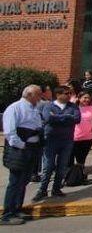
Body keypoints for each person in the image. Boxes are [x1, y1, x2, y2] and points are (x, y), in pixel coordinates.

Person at [2, 85, 43, 225]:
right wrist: (22, 145)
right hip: (20, 149)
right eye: (38, 94)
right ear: (30, 95)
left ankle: (17, 208)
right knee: (15, 181)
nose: (40, 97)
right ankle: (8, 214)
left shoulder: (34, 109)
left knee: (24, 181)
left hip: (32, 148)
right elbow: (10, 132)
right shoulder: (15, 108)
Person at [33, 86, 81, 202]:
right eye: (66, 93)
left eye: (70, 93)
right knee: (48, 166)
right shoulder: (48, 106)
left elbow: (77, 119)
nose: (69, 95)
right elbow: (48, 119)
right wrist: (67, 117)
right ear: (58, 95)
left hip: (67, 140)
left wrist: (57, 117)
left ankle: (56, 188)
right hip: (51, 140)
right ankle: (42, 190)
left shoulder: (73, 106)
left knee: (62, 166)